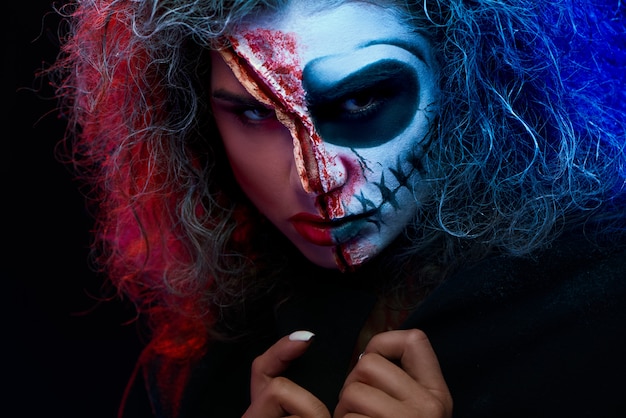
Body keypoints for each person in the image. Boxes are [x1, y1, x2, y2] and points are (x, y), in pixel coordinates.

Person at [46, 0, 626, 417]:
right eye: (253, 114)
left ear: (476, 76)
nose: (316, 176)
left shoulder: (602, 318)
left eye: (362, 98)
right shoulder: (203, 362)